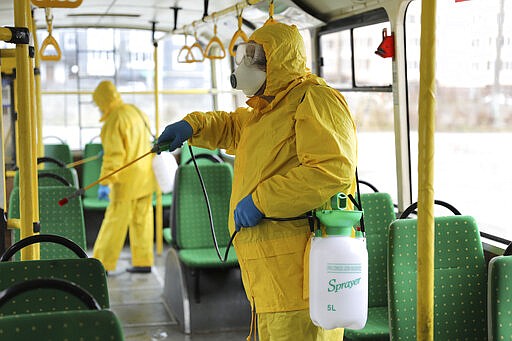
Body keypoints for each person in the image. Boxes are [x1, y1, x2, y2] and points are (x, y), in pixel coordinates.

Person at [158, 22, 357, 340]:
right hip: (270, 275)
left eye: (256, 57)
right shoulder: (266, 110)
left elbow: (331, 170)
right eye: (245, 55)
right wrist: (191, 126)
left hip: (301, 278)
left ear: (281, 61)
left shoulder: (314, 100)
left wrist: (262, 200)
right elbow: (230, 128)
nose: (246, 66)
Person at [92, 80, 157, 274]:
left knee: (114, 222)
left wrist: (105, 182)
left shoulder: (113, 121)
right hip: (145, 176)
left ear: (103, 101)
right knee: (142, 221)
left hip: (126, 181)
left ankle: (101, 265)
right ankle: (143, 262)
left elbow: (114, 157)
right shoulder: (136, 111)